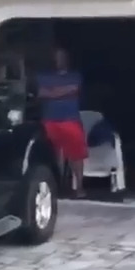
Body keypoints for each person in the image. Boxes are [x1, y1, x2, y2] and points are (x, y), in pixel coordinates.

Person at [35, 48, 89, 198]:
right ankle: (56, 188)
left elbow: (74, 89)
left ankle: (79, 188)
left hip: (70, 120)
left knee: (76, 155)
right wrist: (64, 91)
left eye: (61, 57)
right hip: (49, 120)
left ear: (67, 58)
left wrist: (52, 92)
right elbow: (42, 93)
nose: (58, 60)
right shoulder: (43, 76)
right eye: (56, 57)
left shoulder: (75, 75)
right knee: (53, 154)